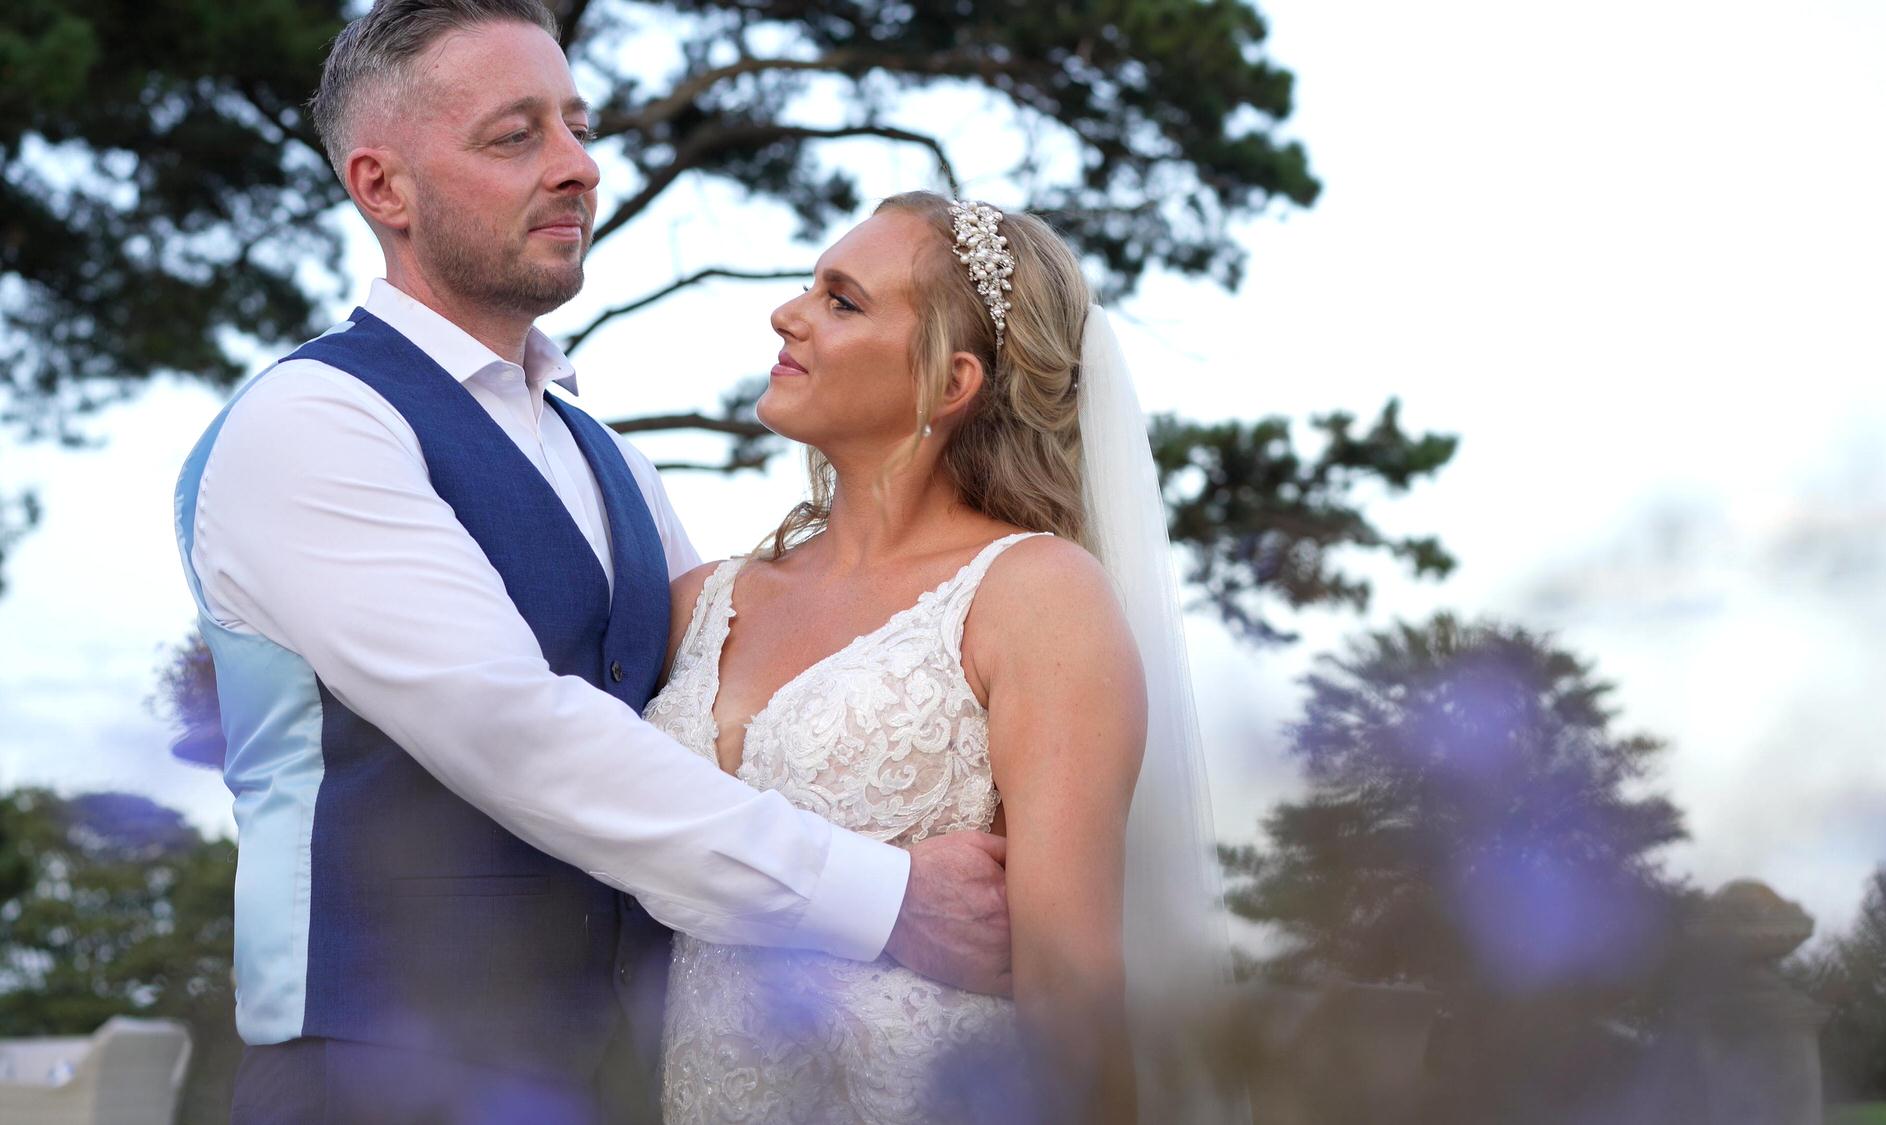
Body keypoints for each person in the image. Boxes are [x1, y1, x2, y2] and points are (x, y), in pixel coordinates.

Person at [171, 4, 1010, 1121]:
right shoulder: (312, 423)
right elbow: (510, 728)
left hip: (626, 1081)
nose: (579, 166)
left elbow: (747, 705)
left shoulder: (609, 460)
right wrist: (886, 896)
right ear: (383, 188)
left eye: (578, 127)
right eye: (515, 136)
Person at [646, 193, 1236, 1124]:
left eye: (842, 301)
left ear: (949, 383)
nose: (787, 313)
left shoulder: (1037, 597)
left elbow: (1072, 1001)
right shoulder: (699, 602)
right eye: (809, 286)